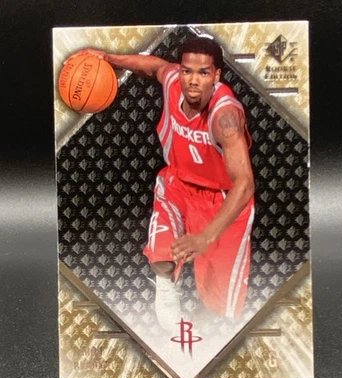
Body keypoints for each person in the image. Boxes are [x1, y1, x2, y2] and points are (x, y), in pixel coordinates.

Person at [72, 36, 255, 331]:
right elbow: (154, 66)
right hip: (177, 185)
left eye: (203, 73)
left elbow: (244, 185)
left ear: (216, 75)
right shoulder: (173, 81)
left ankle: (198, 336)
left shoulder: (225, 117)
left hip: (222, 199)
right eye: (187, 71)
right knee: (162, 255)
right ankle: (169, 305)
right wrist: (109, 58)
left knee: (219, 306)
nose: (192, 80)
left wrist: (205, 237)